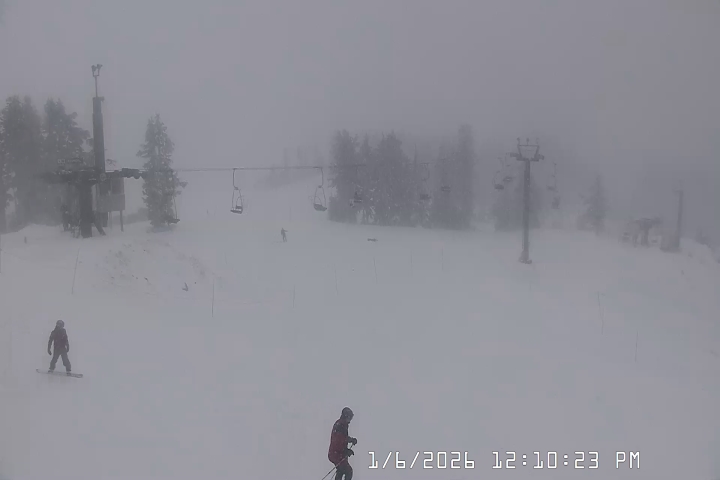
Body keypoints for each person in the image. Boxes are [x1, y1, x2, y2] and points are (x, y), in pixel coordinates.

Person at [328, 407, 357, 480]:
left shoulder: (342, 424)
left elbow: (342, 439)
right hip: (336, 454)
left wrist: (350, 441)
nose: (350, 420)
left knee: (341, 470)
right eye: (350, 417)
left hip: (336, 453)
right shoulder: (340, 425)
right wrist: (345, 450)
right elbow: (339, 440)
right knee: (348, 471)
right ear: (346, 416)